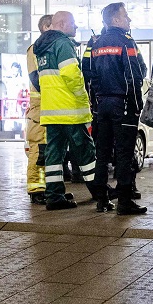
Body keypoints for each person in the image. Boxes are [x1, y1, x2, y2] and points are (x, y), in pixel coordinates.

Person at [30, 11, 98, 210]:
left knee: (54, 155)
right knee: (86, 152)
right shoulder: (62, 43)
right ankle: (99, 191)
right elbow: (71, 74)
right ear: (61, 24)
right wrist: (82, 95)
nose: (76, 27)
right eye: (73, 23)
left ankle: (54, 196)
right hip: (69, 109)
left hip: (51, 111)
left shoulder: (42, 47)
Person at [88, 2, 147, 215]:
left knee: (102, 153)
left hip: (102, 104)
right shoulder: (126, 42)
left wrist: (96, 103)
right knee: (124, 153)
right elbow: (133, 76)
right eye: (126, 16)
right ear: (115, 20)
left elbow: (90, 76)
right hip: (122, 104)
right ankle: (124, 201)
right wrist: (136, 103)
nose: (129, 20)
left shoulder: (96, 44)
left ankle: (102, 199)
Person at [25, 14, 53, 204]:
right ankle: (36, 189)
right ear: (45, 27)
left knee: (50, 150)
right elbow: (37, 78)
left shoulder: (51, 48)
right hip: (40, 109)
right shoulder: (35, 49)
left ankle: (49, 188)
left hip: (50, 107)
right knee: (39, 149)